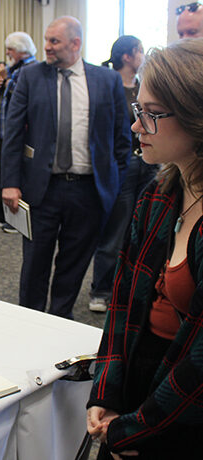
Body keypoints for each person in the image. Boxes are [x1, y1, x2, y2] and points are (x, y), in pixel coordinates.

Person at [87, 38, 203, 460]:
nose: (137, 127)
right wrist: (106, 390)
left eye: (152, 115)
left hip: (181, 416)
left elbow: (198, 367)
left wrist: (134, 431)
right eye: (139, 111)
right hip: (141, 384)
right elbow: (121, 304)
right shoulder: (158, 195)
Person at [1, 16, 131, 319]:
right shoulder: (31, 77)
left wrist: (114, 183)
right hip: (40, 189)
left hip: (88, 191)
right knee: (35, 262)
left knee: (74, 263)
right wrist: (9, 181)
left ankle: (60, 319)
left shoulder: (107, 80)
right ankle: (30, 319)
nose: (46, 47)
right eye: (46, 40)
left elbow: (121, 137)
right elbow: (13, 132)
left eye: (54, 41)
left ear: (75, 43)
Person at [89, 36, 159, 313]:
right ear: (127, 56)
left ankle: (129, 289)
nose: (142, 55)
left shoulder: (143, 86)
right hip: (124, 164)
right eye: (139, 50)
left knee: (143, 228)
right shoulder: (107, 83)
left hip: (149, 164)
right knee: (115, 229)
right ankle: (101, 289)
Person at [0, 32, 37, 231]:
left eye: (11, 49)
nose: (8, 53)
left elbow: (23, 96)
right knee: (1, 173)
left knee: (17, 175)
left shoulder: (30, 69)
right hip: (3, 130)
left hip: (20, 133)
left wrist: (6, 80)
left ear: (21, 50)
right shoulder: (12, 69)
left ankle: (16, 220)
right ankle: (3, 215)